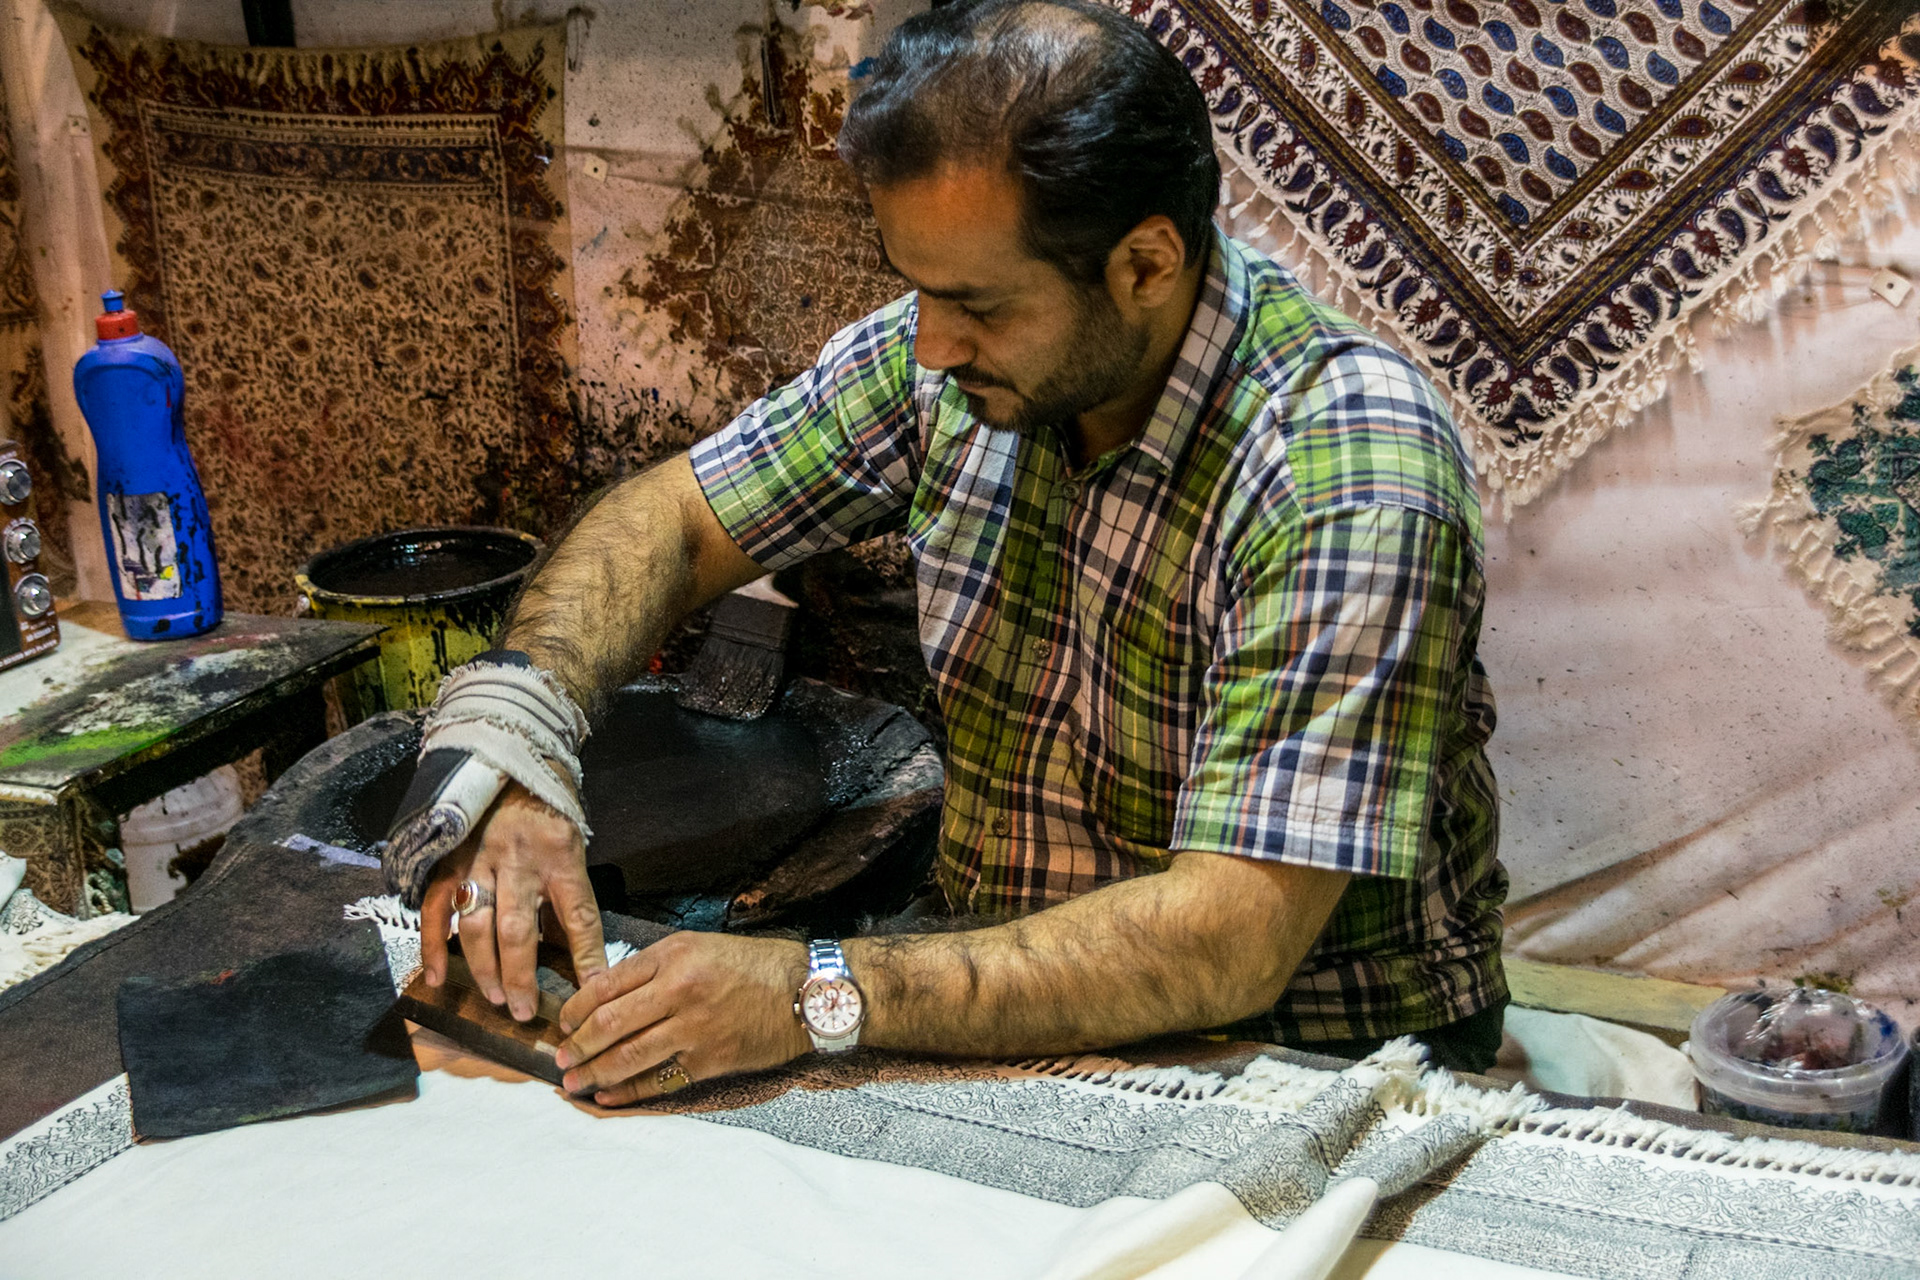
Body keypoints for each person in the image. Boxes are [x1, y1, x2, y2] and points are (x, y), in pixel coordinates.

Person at [394, 0, 1506, 1107]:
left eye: (975, 301)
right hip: (977, 993)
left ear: (1148, 265)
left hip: (1290, 1055)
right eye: (920, 287)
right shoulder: (944, 366)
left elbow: (1231, 937)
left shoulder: (1346, 470)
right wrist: (520, 733)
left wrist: (808, 992)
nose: (932, 342)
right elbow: (675, 518)